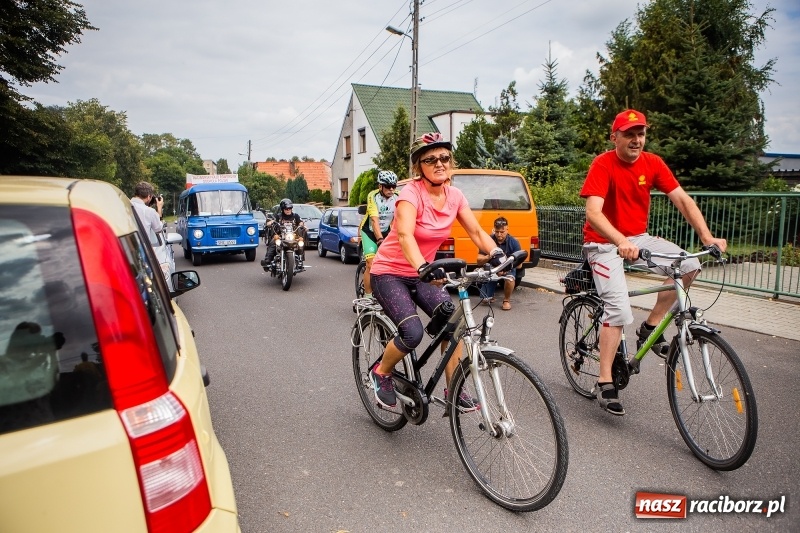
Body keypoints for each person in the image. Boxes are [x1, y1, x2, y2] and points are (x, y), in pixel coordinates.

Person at [581, 109, 727, 416]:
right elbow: (593, 212)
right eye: (629, 134)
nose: (636, 140)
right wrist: (620, 240)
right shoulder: (603, 164)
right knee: (618, 308)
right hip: (603, 242)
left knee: (689, 265)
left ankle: (650, 327)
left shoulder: (653, 163)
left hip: (638, 238)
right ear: (615, 137)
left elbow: (683, 200)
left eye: (641, 134)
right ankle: (605, 381)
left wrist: (707, 237)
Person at [368, 132, 508, 410]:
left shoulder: (455, 196)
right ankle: (381, 372)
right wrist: (422, 266)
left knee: (453, 324)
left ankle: (453, 388)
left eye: (444, 157)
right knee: (412, 332)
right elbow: (405, 235)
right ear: (419, 167)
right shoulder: (411, 194)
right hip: (390, 272)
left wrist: (497, 254)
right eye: (430, 159)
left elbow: (476, 231)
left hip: (424, 273)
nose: (439, 163)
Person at [359, 170, 399, 298]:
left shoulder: (398, 197)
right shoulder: (373, 196)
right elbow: (374, 220)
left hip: (386, 231)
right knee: (370, 264)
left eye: (394, 186)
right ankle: (368, 296)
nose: (391, 189)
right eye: (388, 186)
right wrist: (380, 240)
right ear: (380, 186)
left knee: (392, 264)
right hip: (369, 232)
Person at [476, 217, 522, 310]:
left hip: (508, 267)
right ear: (494, 229)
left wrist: (505, 269)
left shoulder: (514, 242)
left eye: (502, 232)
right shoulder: (488, 240)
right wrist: (489, 256)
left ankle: (506, 300)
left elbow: (519, 265)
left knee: (510, 279)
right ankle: (490, 295)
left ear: (507, 229)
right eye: (497, 232)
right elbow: (479, 261)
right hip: (492, 268)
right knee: (485, 299)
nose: (499, 234)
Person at [261, 198, 306, 267]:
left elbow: (301, 222)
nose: (288, 210)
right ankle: (267, 261)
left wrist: (302, 224)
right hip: (280, 235)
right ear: (282, 209)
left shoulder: (295, 216)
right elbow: (271, 221)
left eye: (289, 208)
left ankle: (300, 260)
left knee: (301, 242)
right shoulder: (278, 216)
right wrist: (270, 222)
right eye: (286, 209)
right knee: (273, 242)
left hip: (293, 235)